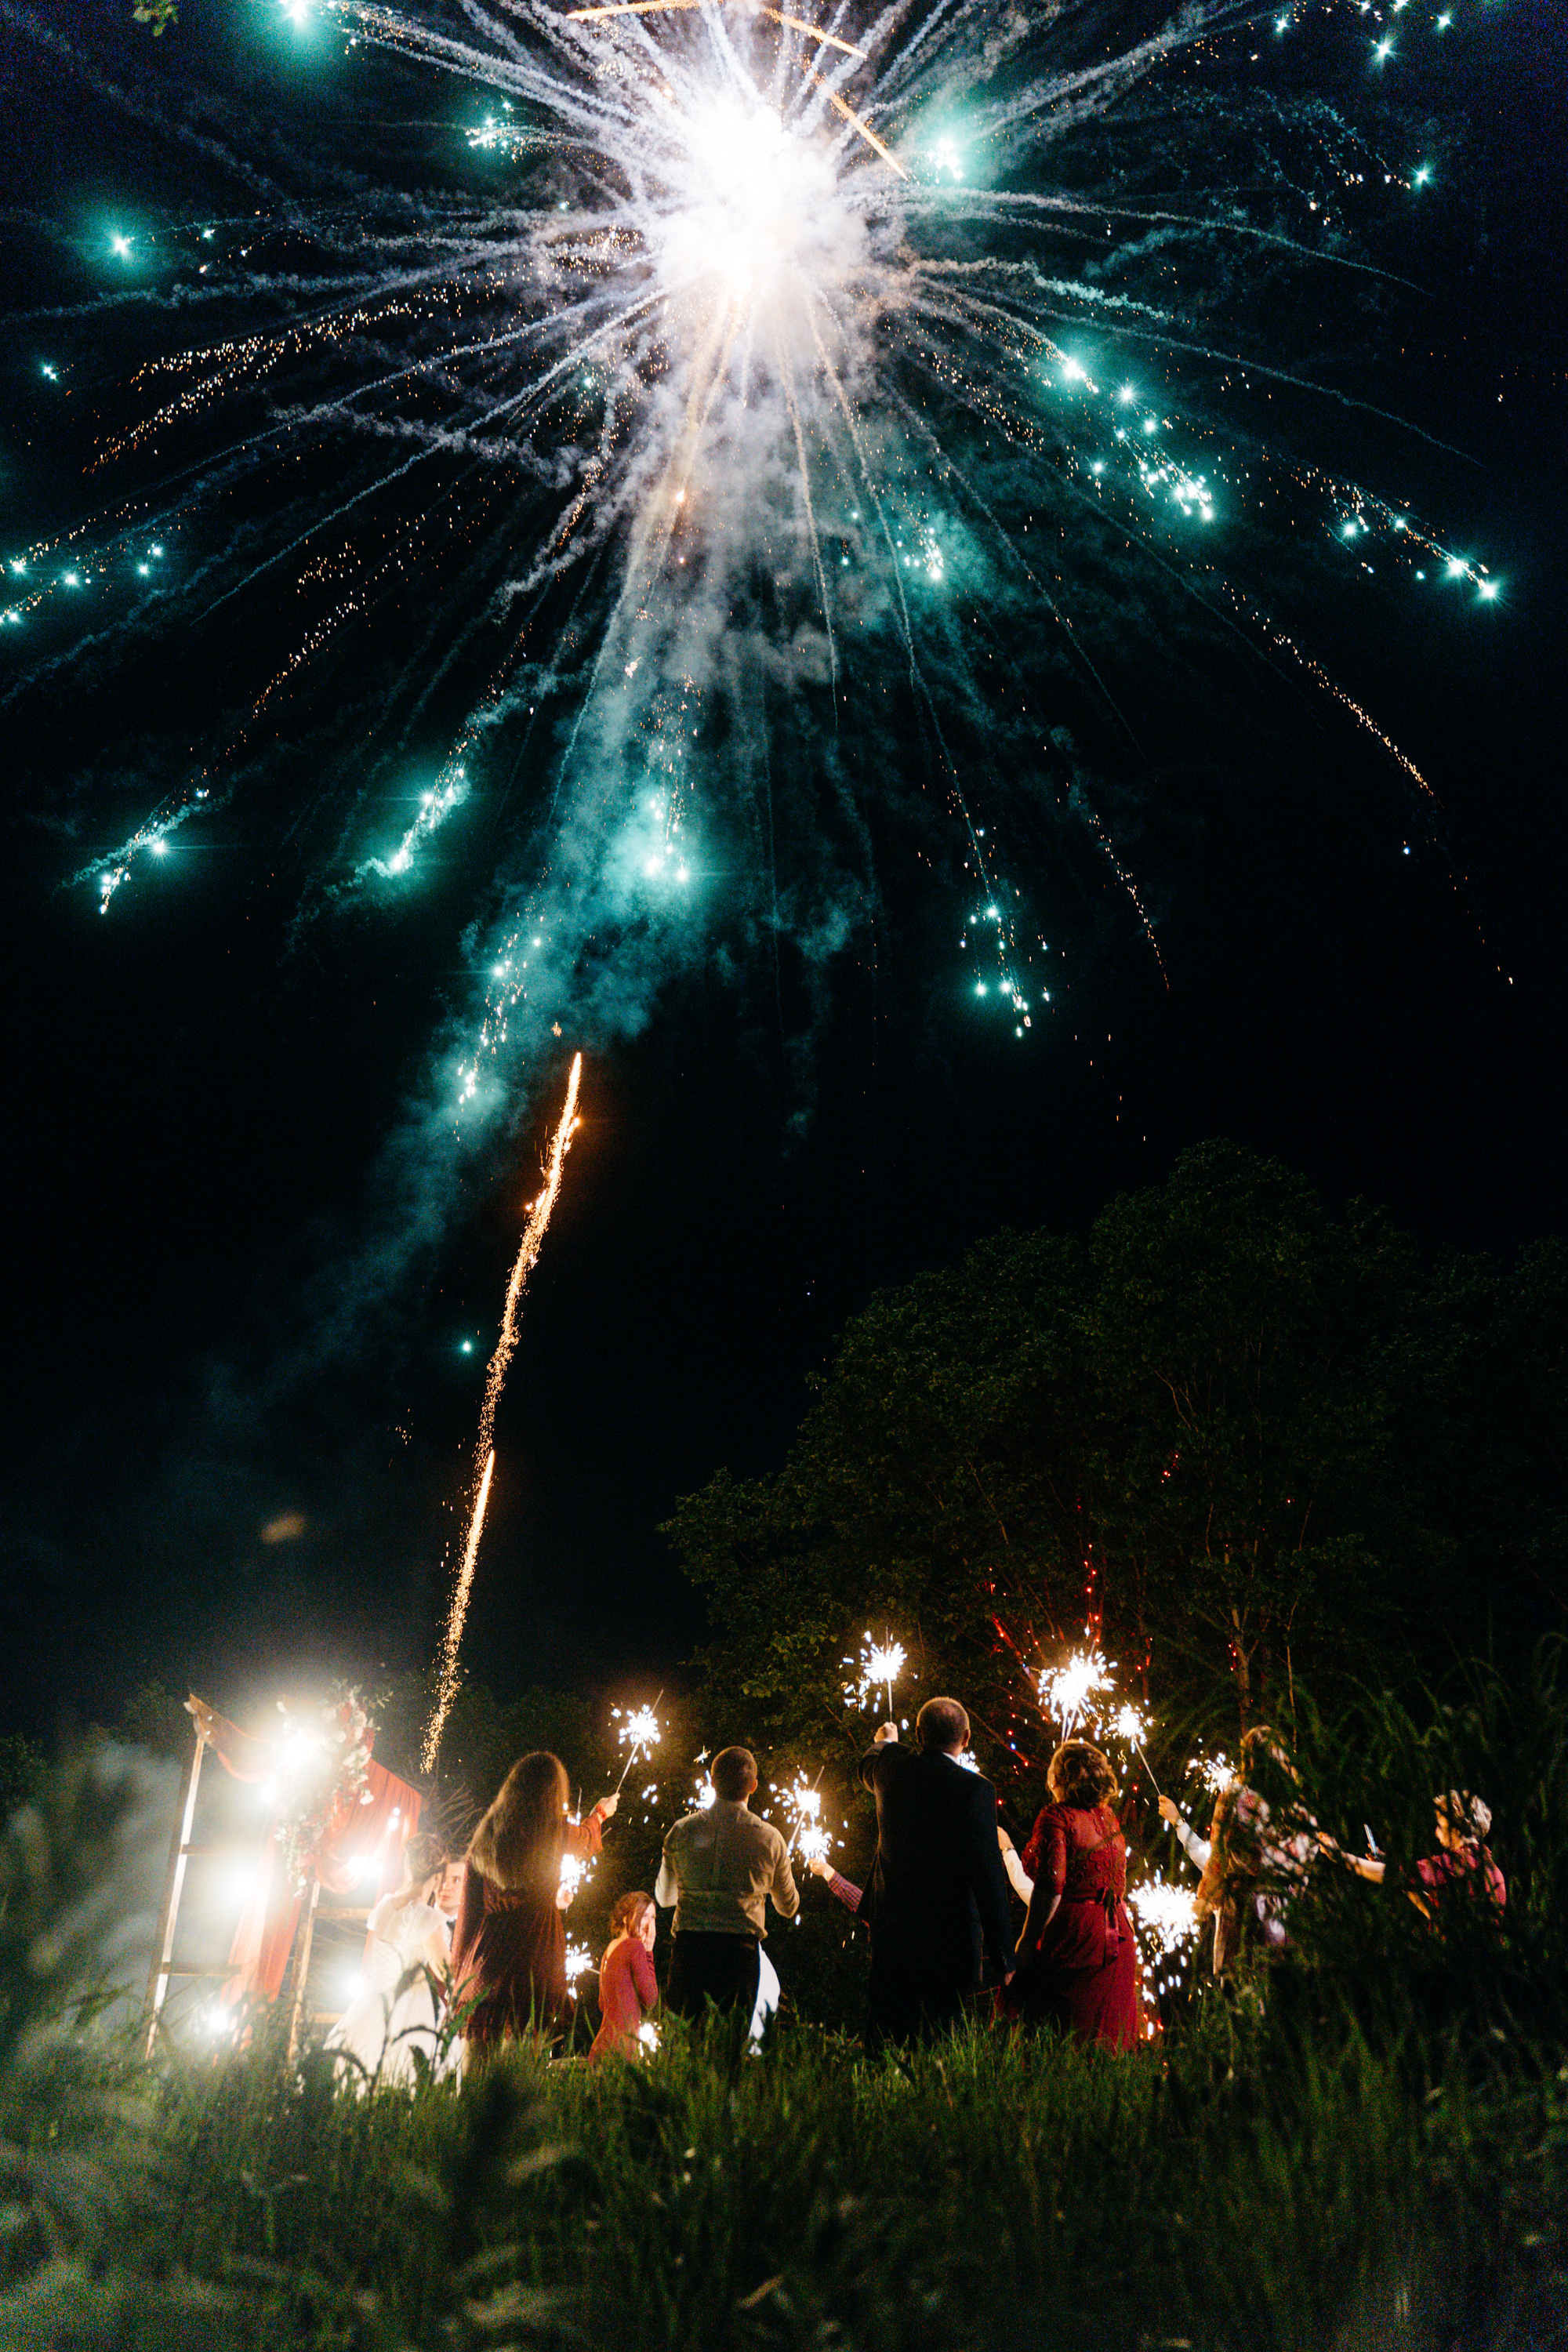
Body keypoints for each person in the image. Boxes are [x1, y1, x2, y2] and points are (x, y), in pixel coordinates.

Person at [857, 1698, 1014, 2045]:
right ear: (967, 1738)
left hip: (893, 1930)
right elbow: (989, 1877)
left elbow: (868, 1762)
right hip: (950, 1939)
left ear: (918, 1733)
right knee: (941, 2037)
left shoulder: (890, 1766)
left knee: (886, 2032)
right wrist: (1004, 1955)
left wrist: (884, 1740)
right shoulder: (977, 1790)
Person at [451, 1753, 618, 2053]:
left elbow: (470, 1911)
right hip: (534, 1955)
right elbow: (586, 1839)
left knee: (476, 2065)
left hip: (487, 1957)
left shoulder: (487, 1835)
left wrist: (459, 1970)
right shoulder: (552, 1832)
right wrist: (600, 1814)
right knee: (523, 2064)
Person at [1006, 1740, 1138, 2051]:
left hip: (1079, 1934)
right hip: (1119, 1930)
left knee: (1063, 2032)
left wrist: (1027, 1941)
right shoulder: (1109, 1818)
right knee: (1109, 2037)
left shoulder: (1057, 1816)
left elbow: (1052, 1886)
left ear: (1058, 1777)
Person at [655, 1746, 799, 2021]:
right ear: (754, 1786)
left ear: (711, 1781)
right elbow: (789, 1908)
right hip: (738, 1957)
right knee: (729, 2049)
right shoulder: (770, 1838)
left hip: (690, 1952)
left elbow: (664, 1898)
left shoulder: (682, 1830)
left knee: (687, 2048)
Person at [326, 1830, 453, 2089]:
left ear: (408, 1864)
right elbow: (448, 1975)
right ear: (438, 1877)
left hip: (371, 2002)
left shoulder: (384, 1907)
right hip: (412, 2008)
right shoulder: (427, 1919)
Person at [1194, 1726, 1317, 1973]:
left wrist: (1205, 1899)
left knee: (1243, 1988)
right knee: (1284, 1987)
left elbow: (1218, 1856)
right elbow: (1307, 1864)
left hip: (1244, 1908)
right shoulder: (1298, 1807)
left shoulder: (1232, 1797)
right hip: (1288, 1909)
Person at [1327, 1790, 1505, 1921]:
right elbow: (1435, 1915)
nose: (1436, 1834)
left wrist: (1341, 1857)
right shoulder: (1491, 1869)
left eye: (1440, 1826)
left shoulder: (1457, 1863)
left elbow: (1397, 1876)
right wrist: (1401, 1878)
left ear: (1456, 1829)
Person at [589, 1889, 659, 2061]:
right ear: (627, 1918)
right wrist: (649, 1953)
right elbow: (650, 1999)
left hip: (601, 2048)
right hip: (621, 2052)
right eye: (644, 1916)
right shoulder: (635, 1947)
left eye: (653, 1917)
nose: (649, 1923)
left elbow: (602, 2004)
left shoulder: (610, 1948)